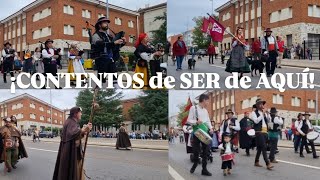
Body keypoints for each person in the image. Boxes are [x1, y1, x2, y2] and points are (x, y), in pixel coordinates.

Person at [53, 107, 92, 180]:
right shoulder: (71, 122)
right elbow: (72, 134)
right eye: (80, 112)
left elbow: (74, 136)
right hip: (71, 153)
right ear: (75, 114)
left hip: (72, 152)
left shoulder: (71, 122)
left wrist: (83, 131)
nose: (81, 114)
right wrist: (83, 130)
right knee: (73, 172)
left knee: (76, 172)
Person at [91, 17, 126, 87]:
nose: (107, 24)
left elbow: (114, 47)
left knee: (114, 79)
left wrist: (122, 42)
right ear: (99, 25)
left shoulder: (109, 36)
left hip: (110, 59)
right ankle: (96, 95)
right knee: (100, 80)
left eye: (107, 23)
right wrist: (114, 43)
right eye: (104, 22)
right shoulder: (96, 35)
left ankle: (118, 93)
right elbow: (100, 45)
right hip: (101, 60)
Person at [187, 94, 213, 176]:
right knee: (196, 151)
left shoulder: (205, 110)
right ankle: (195, 164)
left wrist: (211, 128)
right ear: (204, 100)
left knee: (205, 152)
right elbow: (189, 120)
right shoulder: (193, 108)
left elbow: (208, 121)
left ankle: (204, 169)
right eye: (207, 100)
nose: (208, 102)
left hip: (205, 132)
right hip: (197, 132)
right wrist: (196, 122)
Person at [251, 99, 274, 170]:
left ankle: (256, 161)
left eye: (262, 104)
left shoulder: (264, 113)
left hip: (265, 132)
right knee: (264, 147)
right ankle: (267, 163)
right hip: (259, 132)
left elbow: (269, 121)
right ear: (257, 106)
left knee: (260, 148)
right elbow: (256, 121)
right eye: (260, 104)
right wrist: (262, 114)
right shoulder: (254, 113)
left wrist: (267, 114)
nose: (262, 105)